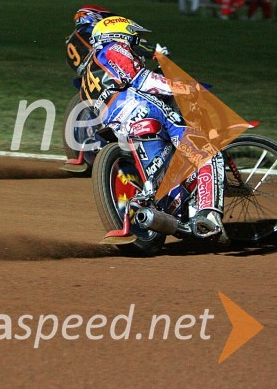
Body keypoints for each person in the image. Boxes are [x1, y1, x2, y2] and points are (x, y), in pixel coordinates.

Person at [83, 16, 226, 238]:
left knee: (167, 163)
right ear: (121, 34)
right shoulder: (114, 48)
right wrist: (186, 88)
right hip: (144, 109)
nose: (134, 44)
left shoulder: (88, 72)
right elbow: (142, 80)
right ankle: (209, 215)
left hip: (115, 123)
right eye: (133, 38)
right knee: (207, 152)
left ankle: (173, 209)